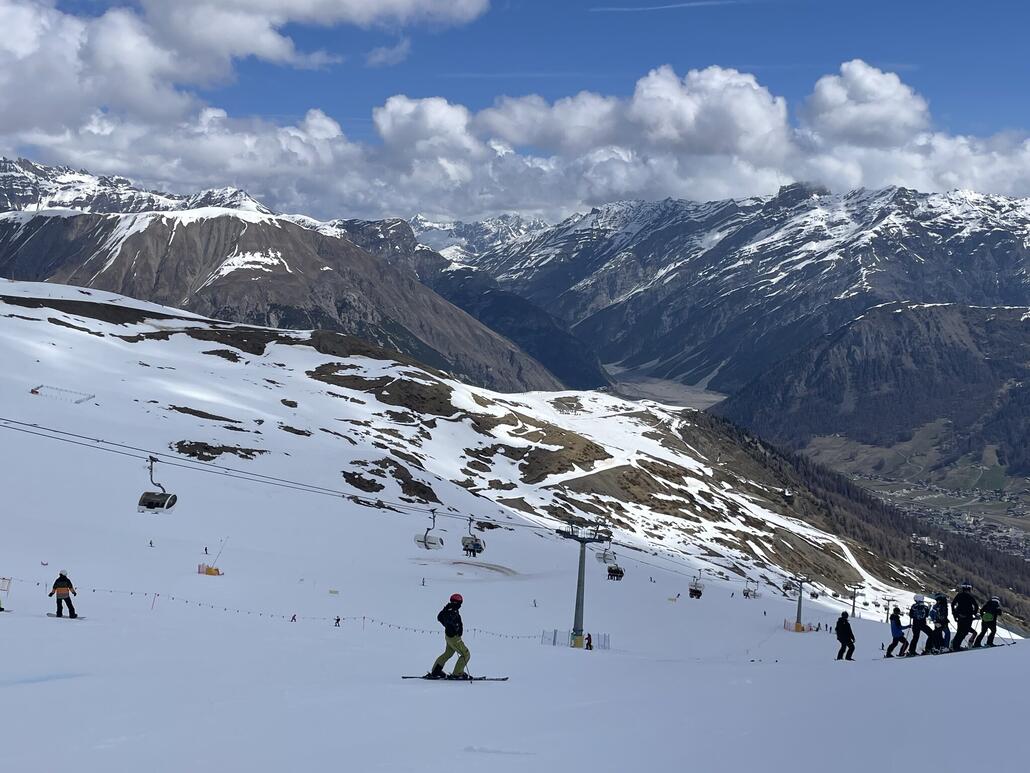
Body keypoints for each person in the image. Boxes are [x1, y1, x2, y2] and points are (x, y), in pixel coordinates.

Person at [427, 593, 470, 680]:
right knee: (466, 654)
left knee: (448, 653)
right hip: (454, 637)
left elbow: (439, 617)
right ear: (459, 602)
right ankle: (458, 673)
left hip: (448, 636)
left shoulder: (448, 608)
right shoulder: (453, 611)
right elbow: (449, 620)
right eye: (460, 603)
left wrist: (448, 625)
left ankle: (436, 671)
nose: (460, 605)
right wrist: (455, 627)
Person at [951, 583, 980, 651]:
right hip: (968, 617)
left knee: (959, 631)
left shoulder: (959, 595)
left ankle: (955, 646)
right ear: (969, 589)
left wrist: (955, 615)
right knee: (965, 631)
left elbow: (953, 604)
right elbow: (976, 605)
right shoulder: (970, 596)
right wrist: (974, 613)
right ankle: (956, 646)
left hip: (960, 616)